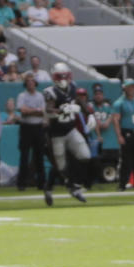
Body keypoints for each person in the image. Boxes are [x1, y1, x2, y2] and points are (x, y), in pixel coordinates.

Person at [42, 61, 89, 204]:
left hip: (70, 129)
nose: (63, 79)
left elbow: (79, 102)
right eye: (59, 76)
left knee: (84, 155)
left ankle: (73, 185)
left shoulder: (73, 87)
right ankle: (50, 188)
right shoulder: (50, 92)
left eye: (65, 76)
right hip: (56, 135)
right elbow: (49, 109)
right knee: (59, 166)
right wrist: (62, 110)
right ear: (54, 77)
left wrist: (89, 114)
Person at [15, 71, 48, 192]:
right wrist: (35, 111)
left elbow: (43, 112)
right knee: (24, 156)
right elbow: (22, 111)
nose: (30, 84)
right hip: (26, 127)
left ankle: (41, 183)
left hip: (38, 127)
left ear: (35, 83)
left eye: (32, 81)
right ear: (25, 84)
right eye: (28, 82)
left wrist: (31, 111)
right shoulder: (22, 96)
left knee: (39, 156)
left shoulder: (40, 96)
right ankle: (21, 183)